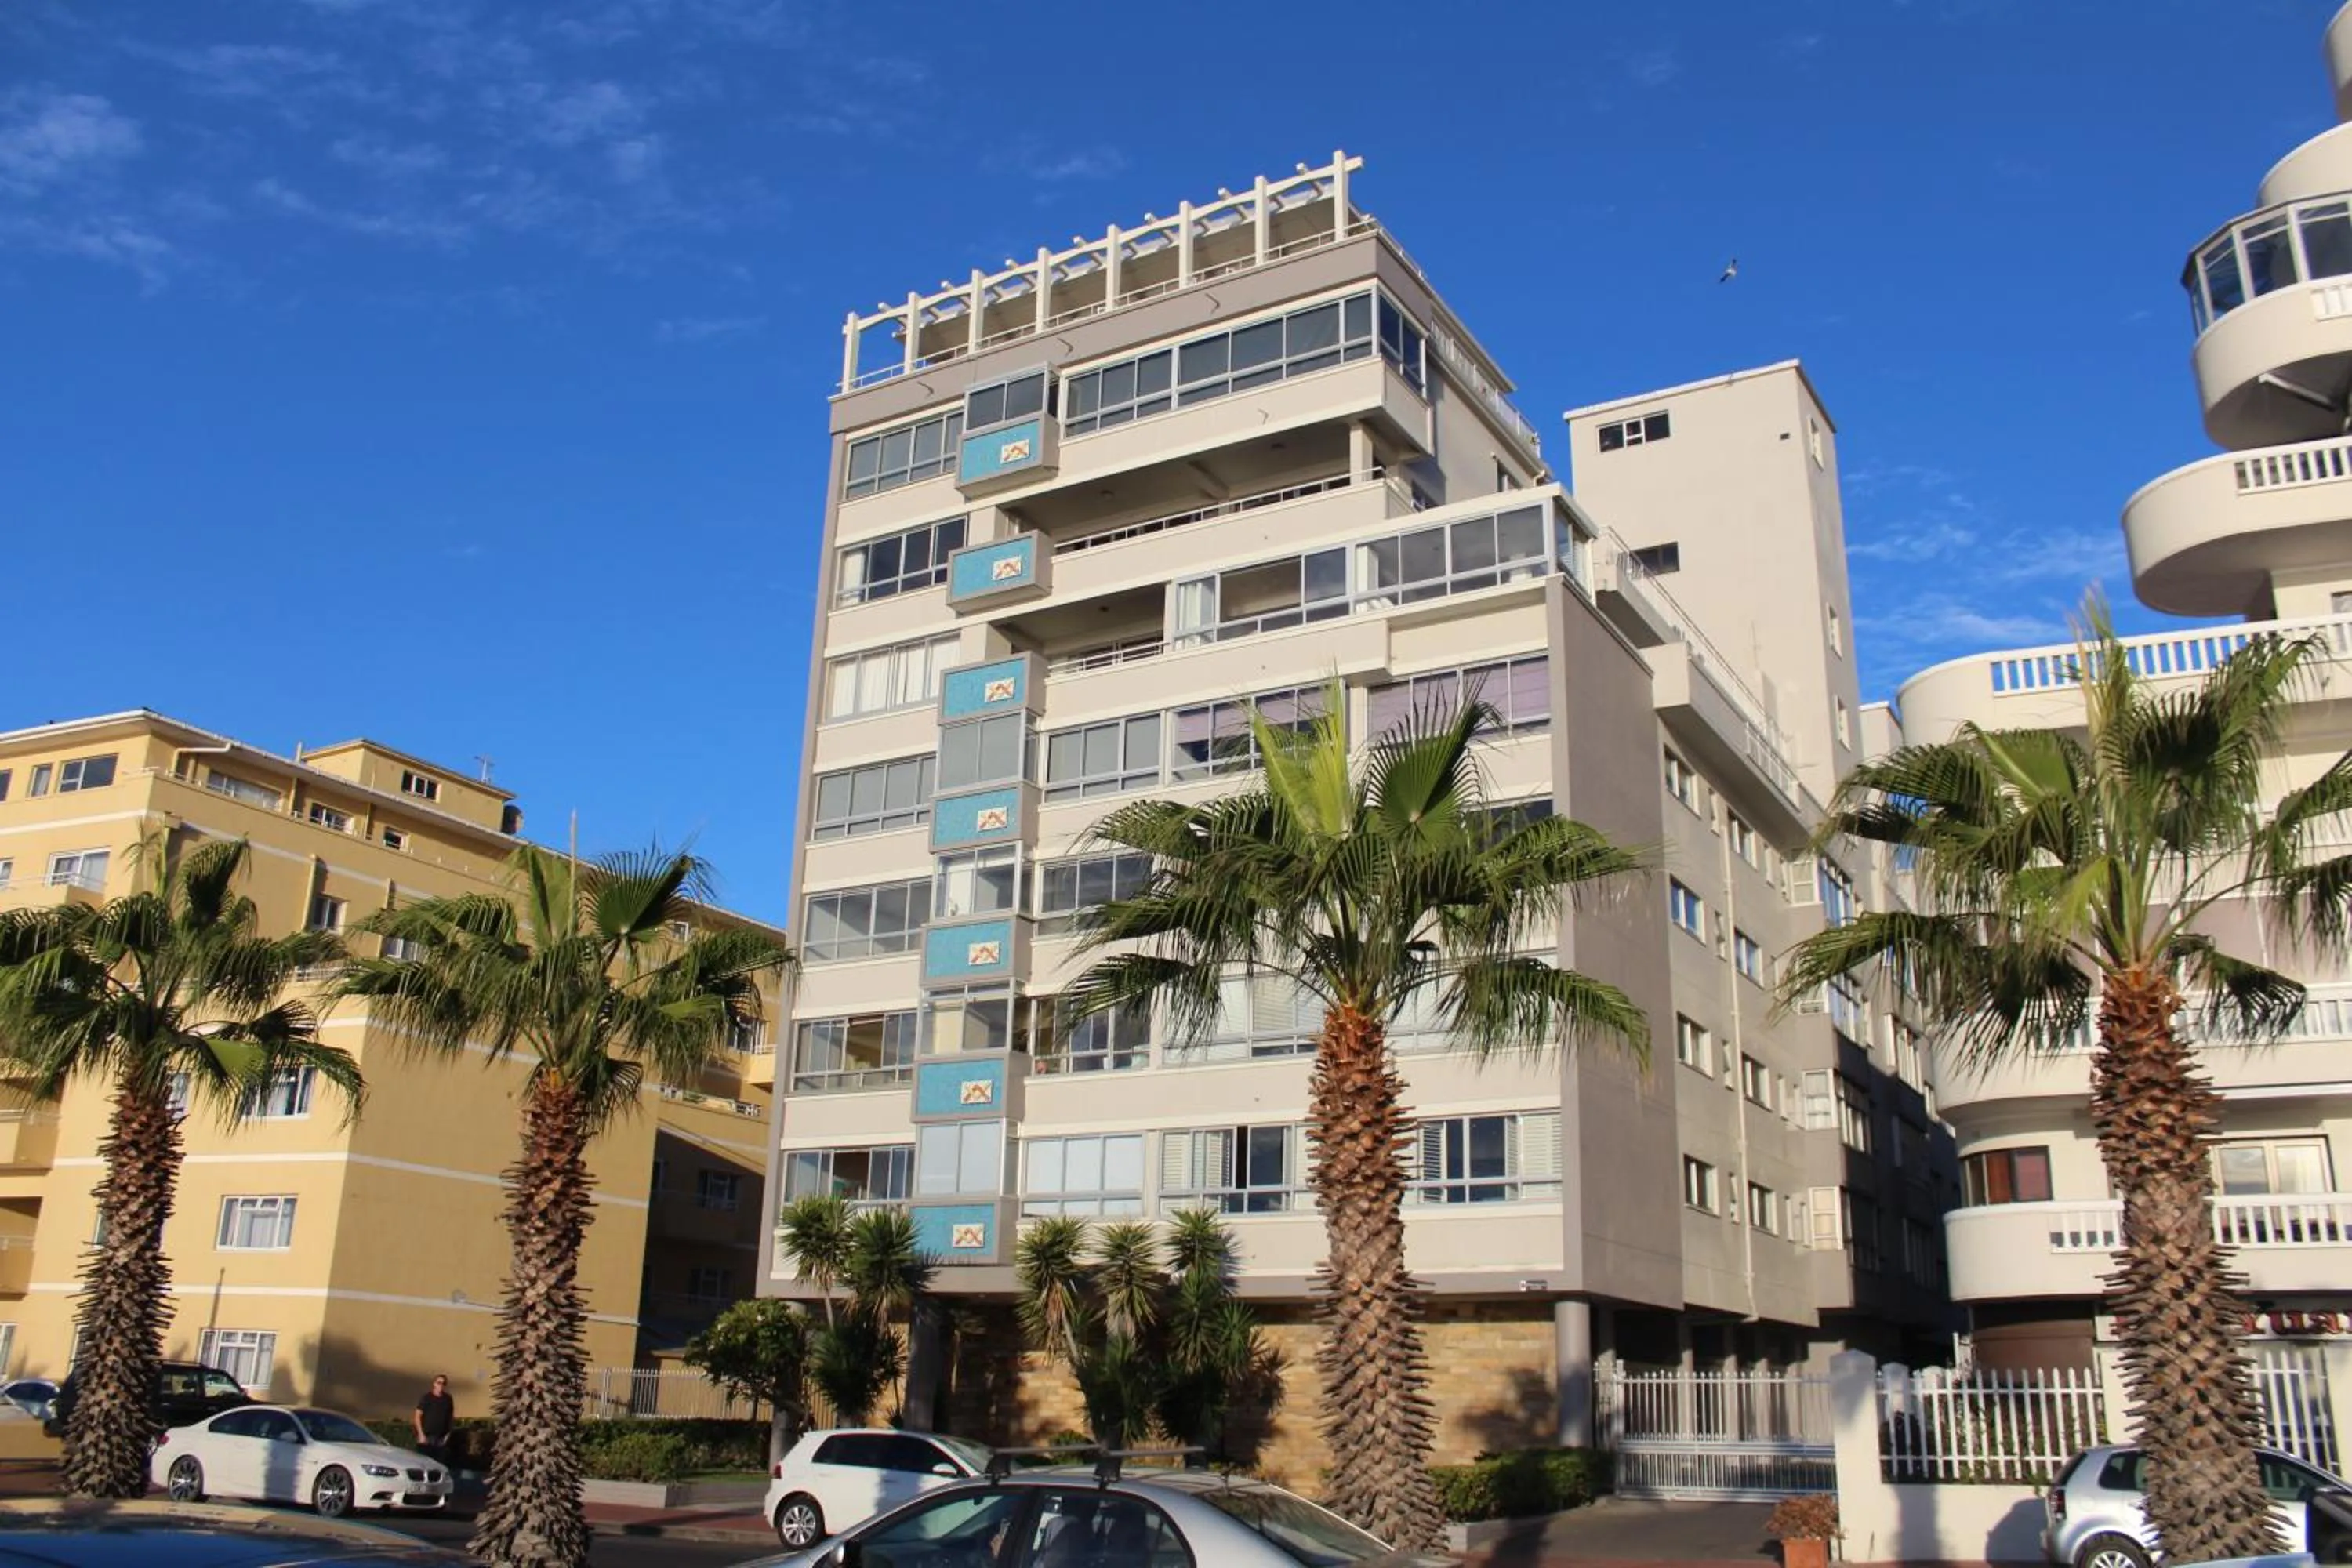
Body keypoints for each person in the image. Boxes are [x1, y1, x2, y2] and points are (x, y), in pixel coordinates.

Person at [413, 1374, 456, 1467]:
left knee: (438, 1465)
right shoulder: (427, 1398)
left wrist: (448, 1434)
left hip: (441, 1438)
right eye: (439, 1383)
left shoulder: (448, 1399)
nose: (441, 1385)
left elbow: (451, 1417)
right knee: (424, 1464)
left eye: (444, 1383)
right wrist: (421, 1434)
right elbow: (417, 1416)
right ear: (434, 1384)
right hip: (427, 1437)